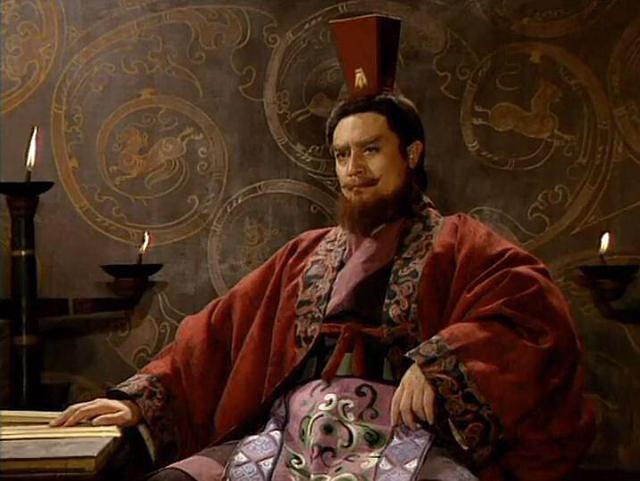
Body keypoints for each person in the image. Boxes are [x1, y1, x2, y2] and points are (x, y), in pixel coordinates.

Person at [52, 14, 594, 481]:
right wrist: (136, 403)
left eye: (371, 150)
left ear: (411, 154)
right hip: (289, 434)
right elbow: (214, 338)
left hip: (402, 438)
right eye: (341, 155)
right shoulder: (303, 256)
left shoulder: (460, 242)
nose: (354, 169)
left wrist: (441, 364)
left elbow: (531, 315)